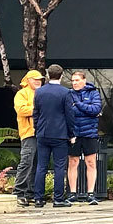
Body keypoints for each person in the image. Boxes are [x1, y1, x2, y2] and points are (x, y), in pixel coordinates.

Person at [32, 64, 76, 207]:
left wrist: (37, 129)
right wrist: (71, 134)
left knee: (41, 167)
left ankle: (38, 199)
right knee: (59, 167)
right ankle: (58, 199)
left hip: (43, 134)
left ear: (47, 75)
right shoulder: (65, 93)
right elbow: (70, 115)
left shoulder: (39, 92)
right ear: (61, 75)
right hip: (60, 134)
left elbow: (36, 113)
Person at [67, 70, 103, 205]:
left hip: (90, 134)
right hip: (74, 133)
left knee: (91, 162)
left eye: (77, 80)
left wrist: (79, 105)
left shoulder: (93, 93)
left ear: (84, 80)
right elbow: (69, 112)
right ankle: (72, 193)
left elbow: (95, 110)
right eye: (72, 80)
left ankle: (91, 193)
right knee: (73, 162)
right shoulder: (68, 94)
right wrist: (85, 110)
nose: (74, 83)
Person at [12, 70, 43, 206]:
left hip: (41, 133)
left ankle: (30, 193)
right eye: (35, 79)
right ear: (28, 80)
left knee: (36, 164)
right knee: (26, 162)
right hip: (28, 133)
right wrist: (38, 109)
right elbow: (21, 110)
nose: (38, 81)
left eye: (40, 79)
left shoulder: (42, 93)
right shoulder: (21, 93)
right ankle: (18, 192)